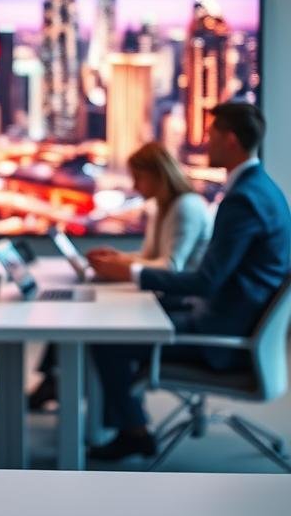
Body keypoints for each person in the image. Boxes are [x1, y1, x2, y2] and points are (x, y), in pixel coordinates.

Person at [88, 103, 290, 460]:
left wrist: (131, 273)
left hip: (222, 337)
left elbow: (207, 281)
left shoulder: (243, 200)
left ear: (230, 140)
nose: (205, 142)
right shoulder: (264, 189)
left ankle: (133, 432)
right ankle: (123, 421)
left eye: (211, 135)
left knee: (107, 340)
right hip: (234, 317)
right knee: (127, 319)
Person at [28, 142, 212, 410]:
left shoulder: (186, 207)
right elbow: (150, 257)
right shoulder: (162, 207)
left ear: (158, 175)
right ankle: (56, 381)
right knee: (80, 312)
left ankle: (120, 417)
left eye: (139, 178)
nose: (135, 186)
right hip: (161, 293)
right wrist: (118, 258)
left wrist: (123, 267)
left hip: (177, 299)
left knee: (99, 328)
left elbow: (171, 267)